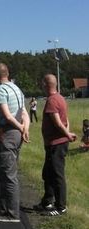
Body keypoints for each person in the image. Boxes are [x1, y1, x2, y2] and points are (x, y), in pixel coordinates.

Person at [0, 63, 30, 223]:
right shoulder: (16, 88)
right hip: (17, 133)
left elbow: (7, 115)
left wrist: (19, 127)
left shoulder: (1, 90)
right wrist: (25, 128)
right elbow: (24, 113)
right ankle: (3, 205)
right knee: (3, 172)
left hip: (8, 133)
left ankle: (12, 213)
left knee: (8, 174)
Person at [34, 74, 77, 216]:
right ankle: (47, 201)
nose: (41, 86)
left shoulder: (52, 101)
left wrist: (67, 134)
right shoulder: (60, 98)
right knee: (48, 173)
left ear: (46, 85)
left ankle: (60, 207)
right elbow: (66, 119)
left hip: (56, 144)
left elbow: (58, 122)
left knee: (57, 174)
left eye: (42, 83)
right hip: (55, 142)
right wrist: (68, 131)